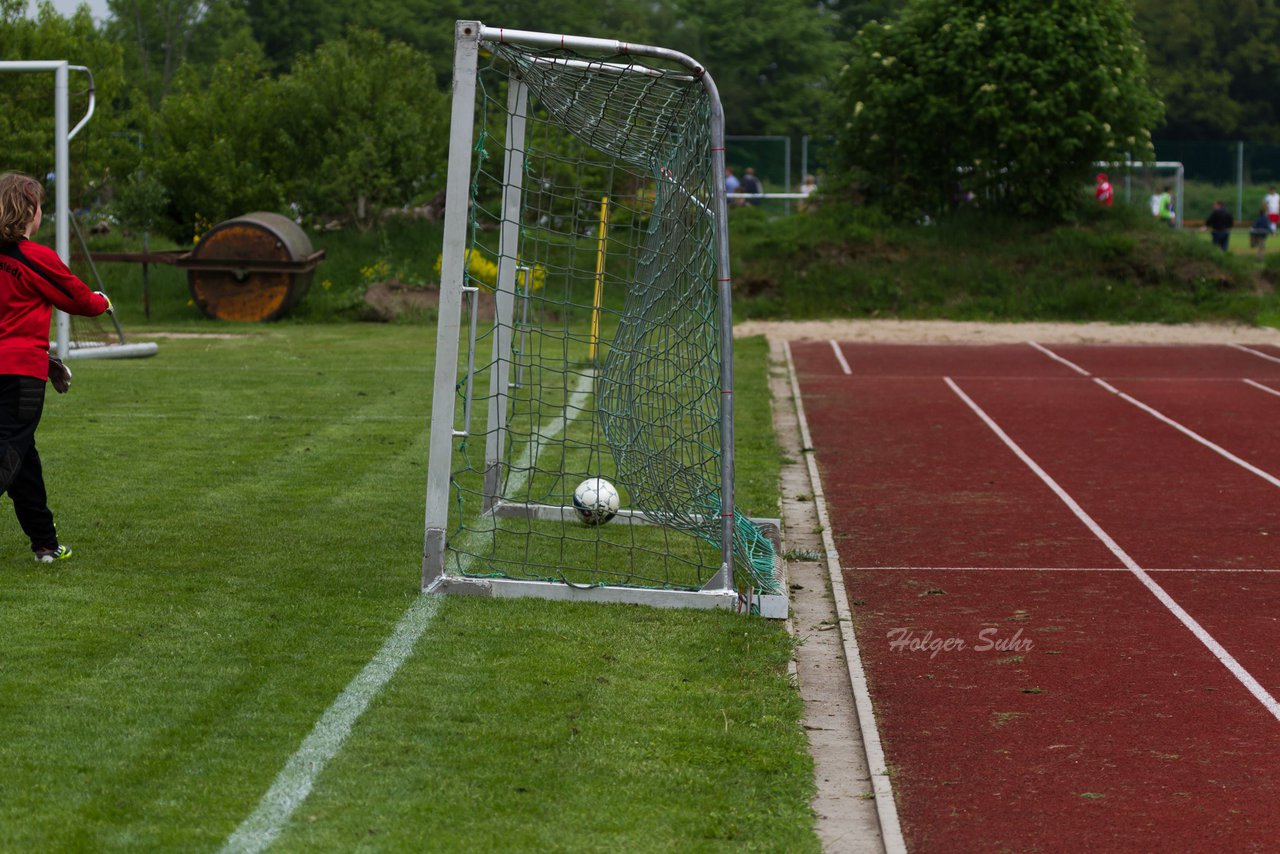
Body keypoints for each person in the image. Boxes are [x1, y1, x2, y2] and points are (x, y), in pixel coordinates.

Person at [0, 172, 112, 563]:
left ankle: (45, 544)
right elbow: (78, 299)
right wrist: (102, 301)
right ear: (29, 210)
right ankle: (45, 544)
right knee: (9, 452)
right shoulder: (35, 257)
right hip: (19, 375)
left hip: (15, 366)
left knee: (23, 458)